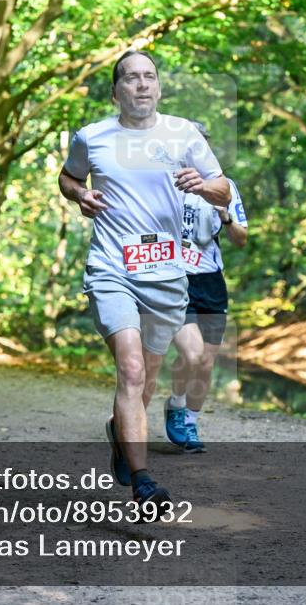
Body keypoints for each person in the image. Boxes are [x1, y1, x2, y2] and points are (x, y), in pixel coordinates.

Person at [58, 50, 231, 510]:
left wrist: (203, 185)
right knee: (131, 369)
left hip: (167, 274)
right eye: (130, 78)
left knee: (146, 378)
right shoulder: (91, 137)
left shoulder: (185, 134)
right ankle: (143, 481)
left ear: (158, 87)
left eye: (148, 77)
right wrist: (80, 194)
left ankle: (121, 430)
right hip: (113, 268)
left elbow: (224, 189)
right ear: (116, 91)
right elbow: (68, 178)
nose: (141, 85)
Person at [166, 121, 248, 453]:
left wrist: (225, 216)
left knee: (206, 362)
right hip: (173, 277)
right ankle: (175, 405)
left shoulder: (225, 187)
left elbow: (241, 239)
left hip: (211, 280)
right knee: (191, 352)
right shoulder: (165, 182)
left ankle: (191, 423)